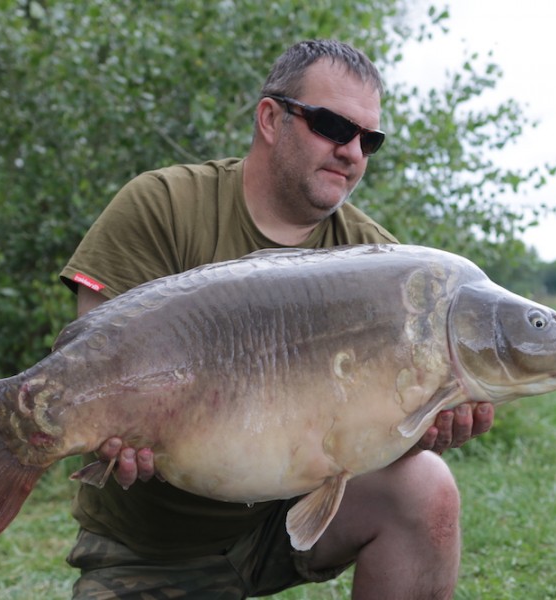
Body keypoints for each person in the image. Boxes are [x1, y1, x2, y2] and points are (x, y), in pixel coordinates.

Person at [59, 39, 494, 600]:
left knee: (426, 486)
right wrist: (106, 429)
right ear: (271, 118)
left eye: (369, 139)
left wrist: (422, 429)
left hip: (289, 517)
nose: (353, 152)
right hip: (151, 544)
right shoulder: (161, 205)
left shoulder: (386, 268)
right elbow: (87, 362)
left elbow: (370, 430)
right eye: (334, 127)